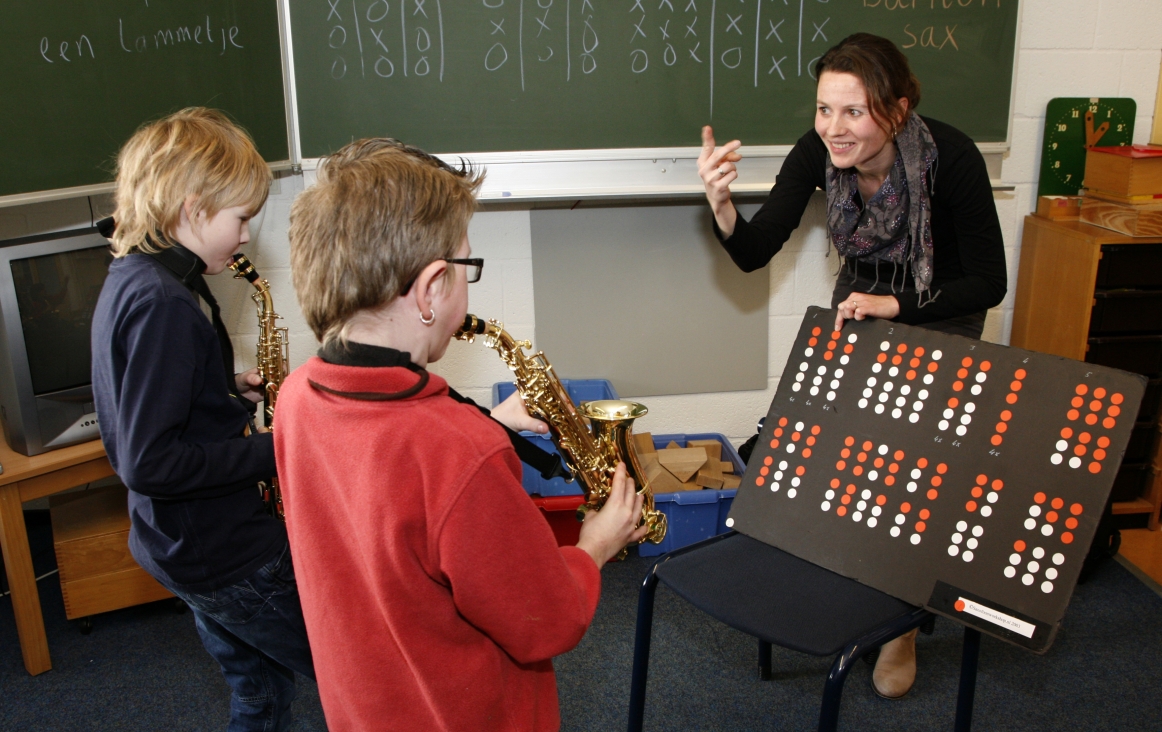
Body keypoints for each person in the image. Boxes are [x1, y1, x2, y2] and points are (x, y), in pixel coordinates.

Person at [275, 138, 648, 731]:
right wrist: (596, 544)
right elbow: (545, 622)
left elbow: (382, 498)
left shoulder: (296, 398)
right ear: (430, 289)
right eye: (467, 267)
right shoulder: (458, 451)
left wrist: (488, 426)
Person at [698, 34, 1006, 699]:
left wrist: (896, 305)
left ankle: (898, 626)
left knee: (909, 482)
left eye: (853, 113)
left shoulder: (949, 158)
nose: (834, 130)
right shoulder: (819, 153)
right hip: (858, 305)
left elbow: (989, 281)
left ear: (896, 111)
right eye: (823, 110)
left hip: (937, 313)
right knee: (832, 462)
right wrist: (723, 207)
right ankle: (847, 595)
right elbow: (755, 252)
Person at [91, 108, 314, 731]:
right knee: (369, 670)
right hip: (223, 553)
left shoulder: (138, 275)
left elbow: (153, 401)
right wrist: (281, 447)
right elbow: (151, 461)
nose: (245, 236)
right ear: (193, 210)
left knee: (261, 694)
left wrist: (227, 394)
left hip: (176, 544)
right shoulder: (165, 303)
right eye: (240, 218)